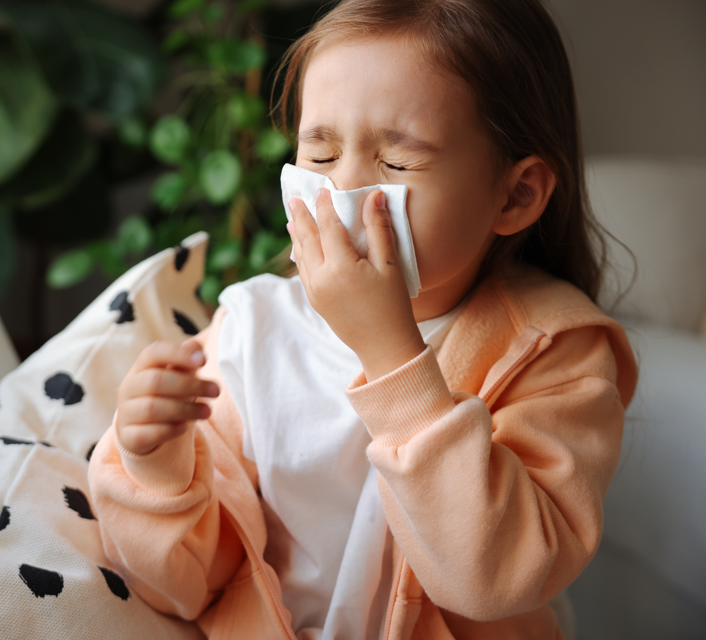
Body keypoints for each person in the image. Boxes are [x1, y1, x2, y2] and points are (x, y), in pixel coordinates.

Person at [87, 0, 638, 638]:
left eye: (397, 163)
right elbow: (188, 585)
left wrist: (391, 355)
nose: (342, 191)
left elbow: (495, 581)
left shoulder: (557, 350)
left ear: (515, 195)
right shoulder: (251, 332)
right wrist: (153, 466)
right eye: (319, 155)